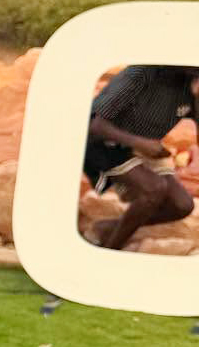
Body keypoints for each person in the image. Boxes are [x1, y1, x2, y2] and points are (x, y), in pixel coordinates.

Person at [83, 64, 198, 249]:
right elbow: (95, 125)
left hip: (142, 147)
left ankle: (106, 227)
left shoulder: (189, 84)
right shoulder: (140, 74)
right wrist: (141, 144)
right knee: (155, 188)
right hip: (103, 144)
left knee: (182, 205)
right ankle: (112, 249)